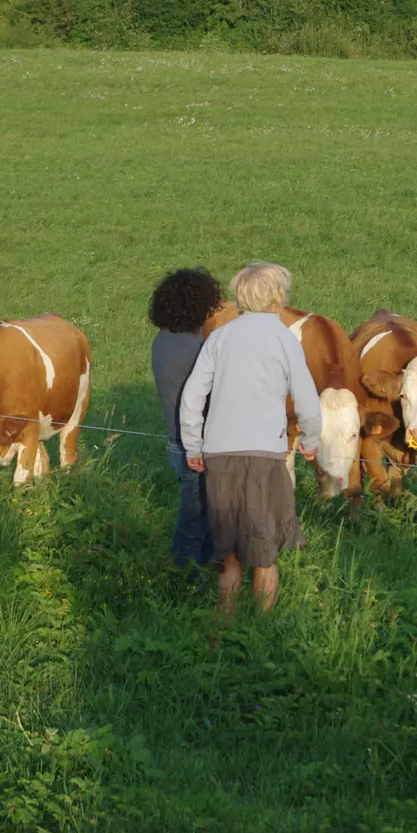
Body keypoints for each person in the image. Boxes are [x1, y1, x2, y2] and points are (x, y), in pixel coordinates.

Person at [178, 261, 320, 616]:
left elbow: (192, 398)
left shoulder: (219, 338)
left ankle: (224, 624)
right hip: (265, 456)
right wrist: (311, 439)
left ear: (241, 296)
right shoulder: (284, 339)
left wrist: (193, 446)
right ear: (277, 296)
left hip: (219, 455)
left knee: (228, 553)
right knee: (265, 549)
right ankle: (262, 626)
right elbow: (307, 399)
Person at [149, 267, 224, 571]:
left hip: (176, 440)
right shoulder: (194, 350)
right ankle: (184, 575)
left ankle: (198, 571)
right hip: (196, 444)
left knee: (199, 514)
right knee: (195, 519)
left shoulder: (162, 340)